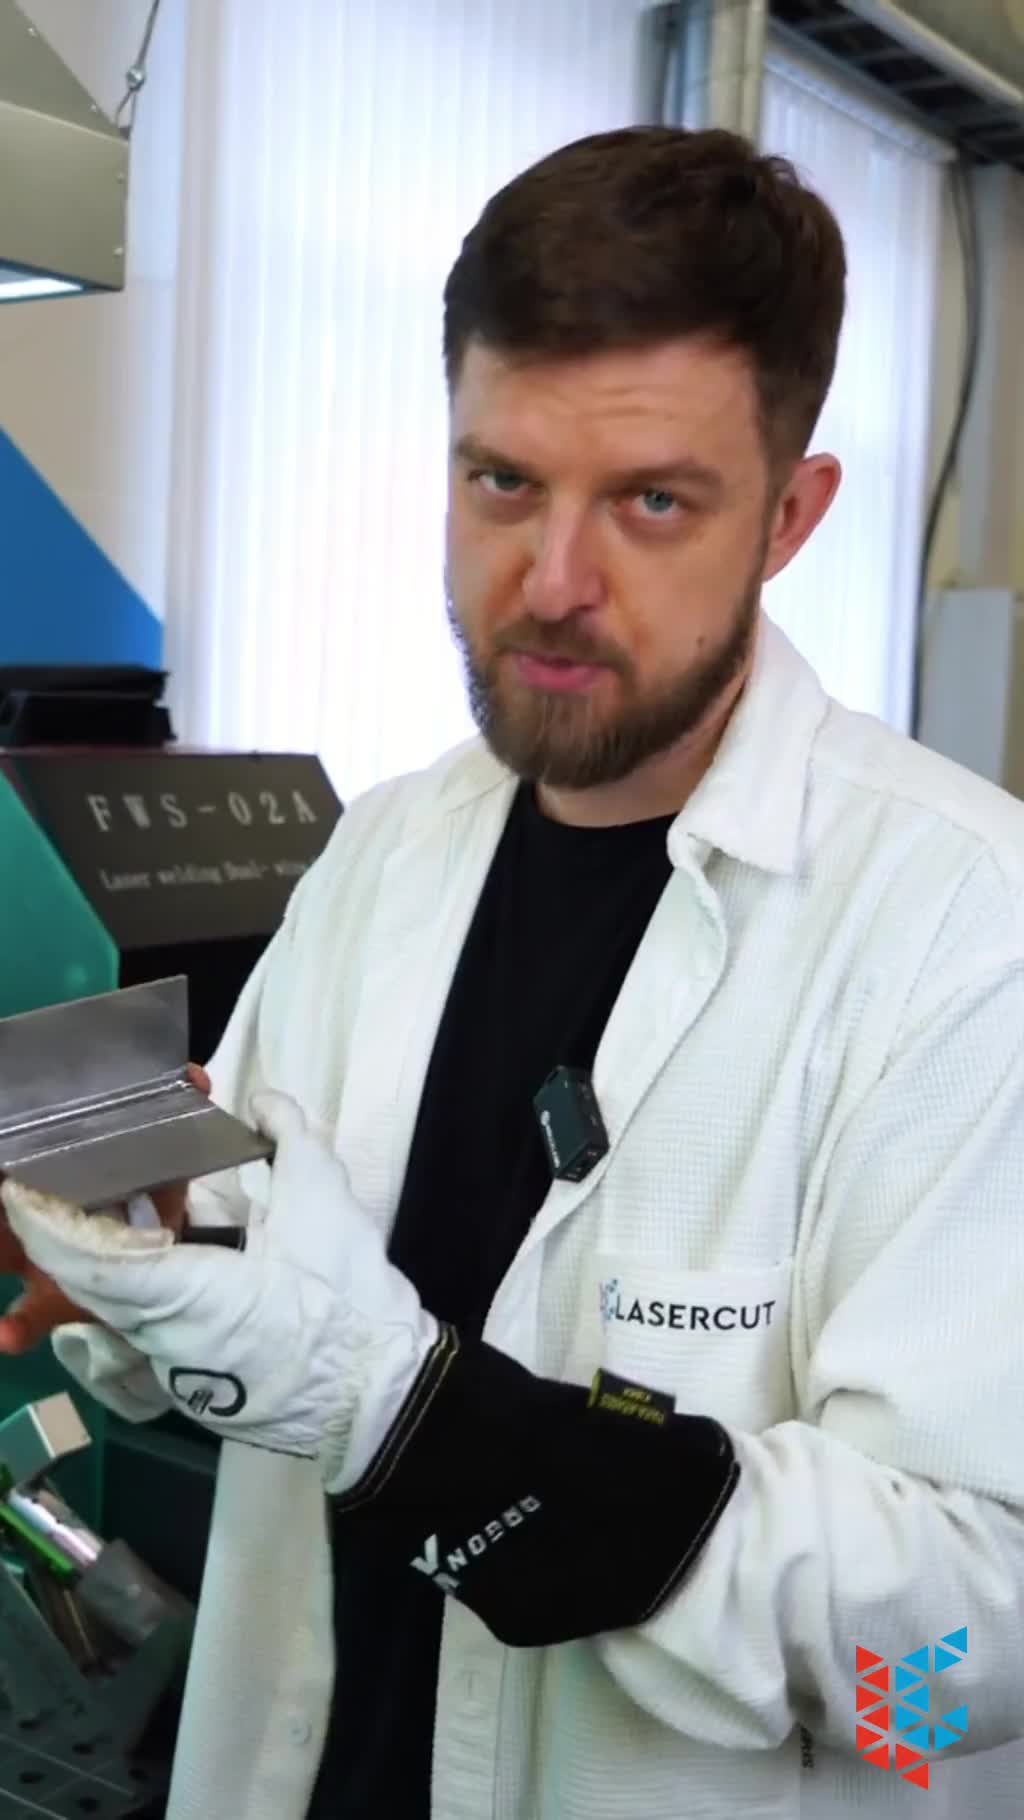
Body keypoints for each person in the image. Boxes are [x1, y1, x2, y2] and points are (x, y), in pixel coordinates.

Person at [3, 124, 1024, 1820]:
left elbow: (964, 1643)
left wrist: (411, 1416)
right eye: (502, 484)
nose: (550, 584)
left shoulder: (965, 928)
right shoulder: (387, 851)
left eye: (652, 501)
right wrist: (140, 1261)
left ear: (790, 516)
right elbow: (264, 1288)